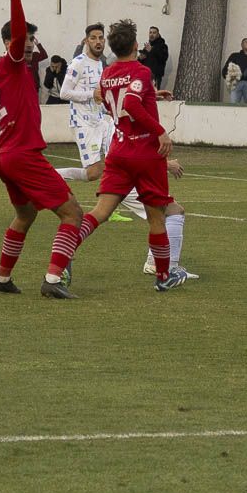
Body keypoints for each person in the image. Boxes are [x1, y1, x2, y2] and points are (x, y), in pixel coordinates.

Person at [0, 0, 83, 299]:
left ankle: (2, 279)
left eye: (34, 39)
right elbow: (19, 34)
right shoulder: (14, 61)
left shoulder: (0, 79)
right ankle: (52, 280)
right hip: (22, 156)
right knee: (72, 213)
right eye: (28, 39)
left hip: (6, 157)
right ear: (9, 42)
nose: (32, 44)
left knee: (26, 213)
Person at [68, 19, 189, 292]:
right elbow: (131, 102)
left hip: (119, 151)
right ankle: (163, 276)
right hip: (145, 154)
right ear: (136, 45)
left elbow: (116, 101)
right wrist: (160, 132)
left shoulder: (107, 74)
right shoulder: (142, 71)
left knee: (100, 212)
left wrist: (152, 94)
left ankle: (64, 253)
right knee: (157, 217)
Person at [54, 23, 142, 223]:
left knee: (116, 162)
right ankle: (49, 176)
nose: (98, 41)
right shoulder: (78, 63)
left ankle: (113, 208)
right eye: (93, 38)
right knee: (93, 172)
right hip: (84, 124)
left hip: (102, 121)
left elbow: (101, 96)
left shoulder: (101, 64)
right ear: (86, 41)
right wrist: (90, 95)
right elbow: (64, 92)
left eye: (101, 37)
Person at [222, 38, 247, 104]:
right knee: (234, 105)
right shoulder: (234, 55)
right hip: (236, 83)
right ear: (242, 44)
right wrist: (230, 80)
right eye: (246, 42)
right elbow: (226, 69)